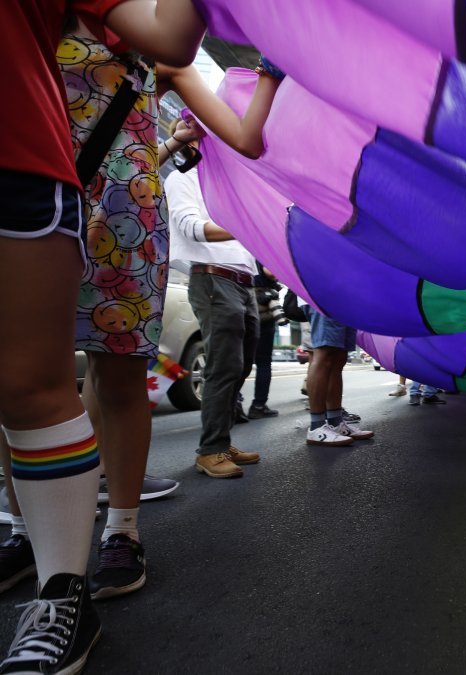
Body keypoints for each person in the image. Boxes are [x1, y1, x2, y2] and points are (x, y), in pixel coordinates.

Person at [1, 2, 204, 672]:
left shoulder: (138, 34)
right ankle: (26, 533)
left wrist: (263, 77)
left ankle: (121, 531)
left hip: (117, 210)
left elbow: (237, 124)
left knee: (110, 377)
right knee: (20, 382)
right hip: (55, 187)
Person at [165, 164, 261, 477]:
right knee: (223, 366)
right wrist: (247, 227)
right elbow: (190, 227)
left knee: (241, 366)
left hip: (243, 282)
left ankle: (222, 441)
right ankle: (210, 450)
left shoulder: (229, 184)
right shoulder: (183, 178)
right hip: (212, 277)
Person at [302, 307, 373, 446]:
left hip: (344, 301)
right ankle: (316, 427)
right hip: (324, 297)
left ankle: (336, 423)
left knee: (339, 357)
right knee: (324, 353)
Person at [249, 265, 283, 418]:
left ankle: (235, 403)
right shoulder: (263, 257)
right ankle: (259, 405)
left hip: (244, 314)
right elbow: (269, 270)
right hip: (263, 320)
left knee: (240, 362)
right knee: (263, 363)